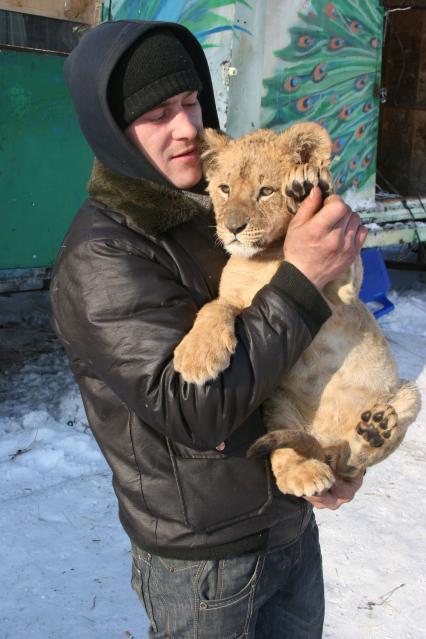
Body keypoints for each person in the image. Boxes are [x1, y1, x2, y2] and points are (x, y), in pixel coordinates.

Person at [50, 19, 367, 639]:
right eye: (157, 112)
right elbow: (194, 407)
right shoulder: (104, 255)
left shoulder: (214, 205)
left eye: (191, 100)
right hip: (205, 565)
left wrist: (326, 446)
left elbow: (290, 354)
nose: (187, 128)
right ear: (111, 131)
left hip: (285, 520)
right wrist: (301, 278)